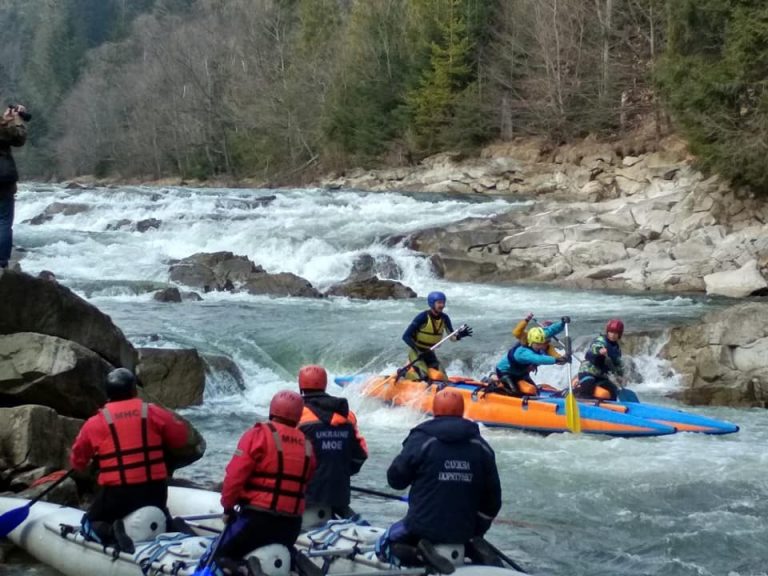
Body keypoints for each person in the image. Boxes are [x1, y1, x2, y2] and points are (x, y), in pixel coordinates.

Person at [377, 389, 502, 573]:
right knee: (465, 534)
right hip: (465, 530)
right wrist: (477, 529)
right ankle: (474, 546)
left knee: (384, 544)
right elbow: (493, 501)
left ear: (434, 410)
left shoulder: (421, 440)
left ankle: (421, 554)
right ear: (462, 411)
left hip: (421, 527)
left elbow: (395, 480)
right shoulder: (482, 446)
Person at [69, 368, 189, 551]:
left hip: (120, 495)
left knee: (88, 524)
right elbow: (181, 438)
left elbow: (77, 462)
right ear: (134, 390)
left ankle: (111, 531)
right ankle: (170, 523)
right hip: (156, 491)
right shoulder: (152, 412)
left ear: (108, 394)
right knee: (159, 509)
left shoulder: (95, 423)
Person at [216, 390, 319, 576]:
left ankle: (245, 569)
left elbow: (234, 477)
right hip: (291, 525)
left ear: (272, 410)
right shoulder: (307, 444)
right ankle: (295, 562)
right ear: (298, 415)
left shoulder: (258, 435)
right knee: (281, 553)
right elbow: (307, 479)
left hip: (257, 520)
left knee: (221, 556)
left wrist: (228, 507)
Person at [297, 364, 368, 519]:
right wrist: (340, 471)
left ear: (300, 385)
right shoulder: (347, 415)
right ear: (325, 384)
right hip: (339, 494)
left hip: (305, 497)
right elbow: (361, 454)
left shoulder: (295, 414)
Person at [402, 291, 472, 381]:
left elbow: (452, 338)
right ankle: (405, 373)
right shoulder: (422, 317)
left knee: (442, 377)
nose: (442, 305)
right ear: (432, 303)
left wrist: (459, 336)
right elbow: (406, 336)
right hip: (416, 352)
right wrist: (418, 351)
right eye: (439, 303)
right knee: (423, 376)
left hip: (429, 352)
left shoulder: (445, 318)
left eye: (443, 302)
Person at [494, 318, 571, 396]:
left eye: (542, 343)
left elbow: (552, 330)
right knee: (515, 392)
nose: (541, 346)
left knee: (534, 391)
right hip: (505, 372)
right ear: (531, 342)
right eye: (538, 344)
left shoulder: (540, 338)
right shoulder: (523, 352)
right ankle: (498, 387)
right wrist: (556, 360)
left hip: (521, 373)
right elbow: (538, 359)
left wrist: (562, 323)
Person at [0, 104, 28, 269]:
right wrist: (17, 120)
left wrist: (5, 120)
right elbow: (19, 138)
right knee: (3, 221)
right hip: (3, 179)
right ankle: (2, 262)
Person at [576, 318, 625, 401]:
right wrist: (600, 350)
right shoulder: (601, 340)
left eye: (616, 333)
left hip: (600, 376)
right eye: (611, 332)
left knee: (612, 391)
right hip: (587, 372)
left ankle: (609, 406)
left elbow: (618, 364)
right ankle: (578, 396)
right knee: (589, 384)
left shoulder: (617, 349)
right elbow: (595, 346)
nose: (613, 335)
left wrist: (620, 376)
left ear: (619, 334)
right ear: (608, 332)